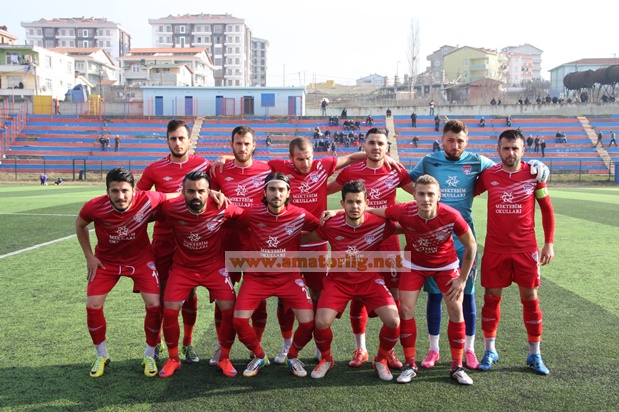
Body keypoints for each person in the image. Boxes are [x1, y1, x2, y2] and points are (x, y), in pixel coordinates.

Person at [408, 119, 550, 371]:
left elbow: (511, 172)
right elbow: (404, 179)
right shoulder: (429, 161)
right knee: (436, 295)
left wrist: (537, 165)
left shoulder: (480, 163)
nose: (455, 145)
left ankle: (471, 349)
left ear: (467, 142)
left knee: (468, 293)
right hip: (435, 240)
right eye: (450, 140)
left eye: (460, 141)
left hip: (467, 241)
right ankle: (434, 349)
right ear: (442, 141)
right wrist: (423, 200)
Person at [368, 174, 477, 385]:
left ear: (438, 196)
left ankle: (457, 366)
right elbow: (370, 210)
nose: (426, 199)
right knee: (405, 310)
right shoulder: (403, 211)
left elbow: (471, 245)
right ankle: (410, 364)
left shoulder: (451, 215)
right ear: (414, 195)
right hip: (414, 265)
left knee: (455, 308)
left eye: (430, 194)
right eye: (421, 194)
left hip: (445, 265)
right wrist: (336, 212)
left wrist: (462, 280)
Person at [327, 127, 415, 370]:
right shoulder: (351, 171)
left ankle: (390, 351)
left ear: (387, 147)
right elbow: (323, 190)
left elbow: (419, 192)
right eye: (372, 143)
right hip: (359, 241)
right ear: (364, 146)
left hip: (387, 240)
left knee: (394, 295)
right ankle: (361, 349)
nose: (376, 147)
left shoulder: (397, 171)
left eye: (381, 143)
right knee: (358, 294)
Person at [75, 167, 171, 378]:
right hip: (106, 262)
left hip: (140, 260)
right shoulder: (94, 206)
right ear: (107, 191)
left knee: (154, 305)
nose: (120, 196)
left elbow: (178, 195)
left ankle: (149, 354)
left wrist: (210, 192)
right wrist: (89, 256)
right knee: (92, 305)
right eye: (115, 191)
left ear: (134, 190)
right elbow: (80, 225)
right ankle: (101, 355)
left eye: (125, 190)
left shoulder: (148, 199)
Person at [475, 129, 555, 376]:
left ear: (523, 150)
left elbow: (547, 209)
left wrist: (549, 243)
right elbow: (468, 193)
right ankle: (490, 350)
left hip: (525, 249)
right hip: (495, 249)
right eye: (506, 148)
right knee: (491, 299)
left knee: (530, 299)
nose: (511, 153)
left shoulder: (534, 175)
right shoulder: (489, 175)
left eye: (515, 148)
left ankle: (535, 353)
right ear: (498, 150)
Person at [305, 181, 400, 381]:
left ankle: (381, 359)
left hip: (370, 281)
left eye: (358, 202)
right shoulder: (331, 224)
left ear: (367, 203)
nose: (354, 206)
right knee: (321, 322)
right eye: (350, 202)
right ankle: (326, 359)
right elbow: (308, 238)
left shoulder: (380, 224)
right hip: (338, 282)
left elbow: (409, 227)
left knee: (393, 320)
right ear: (343, 203)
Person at [137, 119, 211, 365]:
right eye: (173, 139)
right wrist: (169, 196)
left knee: (189, 294)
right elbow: (139, 198)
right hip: (164, 239)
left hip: (193, 239)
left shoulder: (205, 165)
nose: (178, 143)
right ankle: (156, 343)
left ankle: (188, 344)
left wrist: (225, 159)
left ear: (190, 141)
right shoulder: (154, 169)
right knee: (159, 294)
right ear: (167, 141)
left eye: (182, 138)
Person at [232, 172, 319, 378]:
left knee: (308, 322)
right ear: (264, 192)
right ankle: (259, 356)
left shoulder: (300, 215)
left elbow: (320, 228)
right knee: (239, 321)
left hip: (289, 277)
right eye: (272, 189)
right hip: (257, 277)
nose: (276, 194)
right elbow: (236, 225)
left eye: (281, 190)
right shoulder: (252, 213)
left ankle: (292, 356)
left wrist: (297, 238)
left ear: (288, 193)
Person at [156, 171, 240, 378]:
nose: (196, 195)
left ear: (209, 192)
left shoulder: (222, 206)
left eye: (201, 191)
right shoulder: (170, 207)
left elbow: (248, 218)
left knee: (230, 309)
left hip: (214, 268)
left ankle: (224, 357)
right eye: (191, 191)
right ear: (182, 192)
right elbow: (147, 214)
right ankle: (173, 358)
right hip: (183, 268)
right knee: (169, 311)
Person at [208, 125, 272, 365]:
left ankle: (256, 347)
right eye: (238, 143)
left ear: (254, 145)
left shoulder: (268, 169)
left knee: (259, 297)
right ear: (231, 145)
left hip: (257, 242)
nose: (242, 148)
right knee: (223, 297)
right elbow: (206, 193)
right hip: (226, 241)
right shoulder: (219, 170)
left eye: (247, 143)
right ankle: (221, 346)